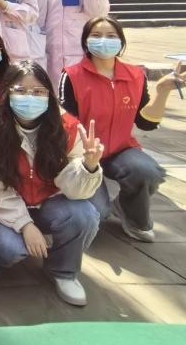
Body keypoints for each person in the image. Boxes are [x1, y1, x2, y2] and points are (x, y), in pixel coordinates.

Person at [0, 61, 103, 306]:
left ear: (49, 95)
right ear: (6, 93)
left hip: (50, 202)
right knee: (9, 251)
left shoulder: (68, 128)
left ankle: (64, 271)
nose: (30, 98)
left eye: (38, 91)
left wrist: (88, 167)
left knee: (84, 214)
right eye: (21, 90)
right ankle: (32, 240)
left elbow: (76, 192)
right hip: (8, 208)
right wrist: (25, 225)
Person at [60, 16, 182, 242]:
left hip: (121, 149)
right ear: (85, 41)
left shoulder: (135, 75)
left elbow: (146, 123)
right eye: (96, 35)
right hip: (84, 154)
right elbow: (66, 122)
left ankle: (131, 213)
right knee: (98, 213)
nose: (103, 40)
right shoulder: (72, 75)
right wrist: (81, 157)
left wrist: (162, 91)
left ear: (121, 41)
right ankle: (97, 201)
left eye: (111, 36)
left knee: (147, 172)